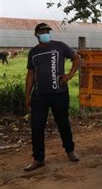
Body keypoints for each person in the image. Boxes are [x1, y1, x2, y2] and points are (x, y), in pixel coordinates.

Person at [24, 23, 80, 172]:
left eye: (47, 31)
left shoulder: (60, 46)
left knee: (63, 123)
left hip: (59, 94)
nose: (45, 34)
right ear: (36, 34)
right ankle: (38, 159)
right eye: (42, 32)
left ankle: (70, 151)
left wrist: (70, 75)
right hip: (39, 95)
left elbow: (76, 58)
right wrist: (27, 96)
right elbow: (30, 74)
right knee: (37, 127)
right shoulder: (33, 53)